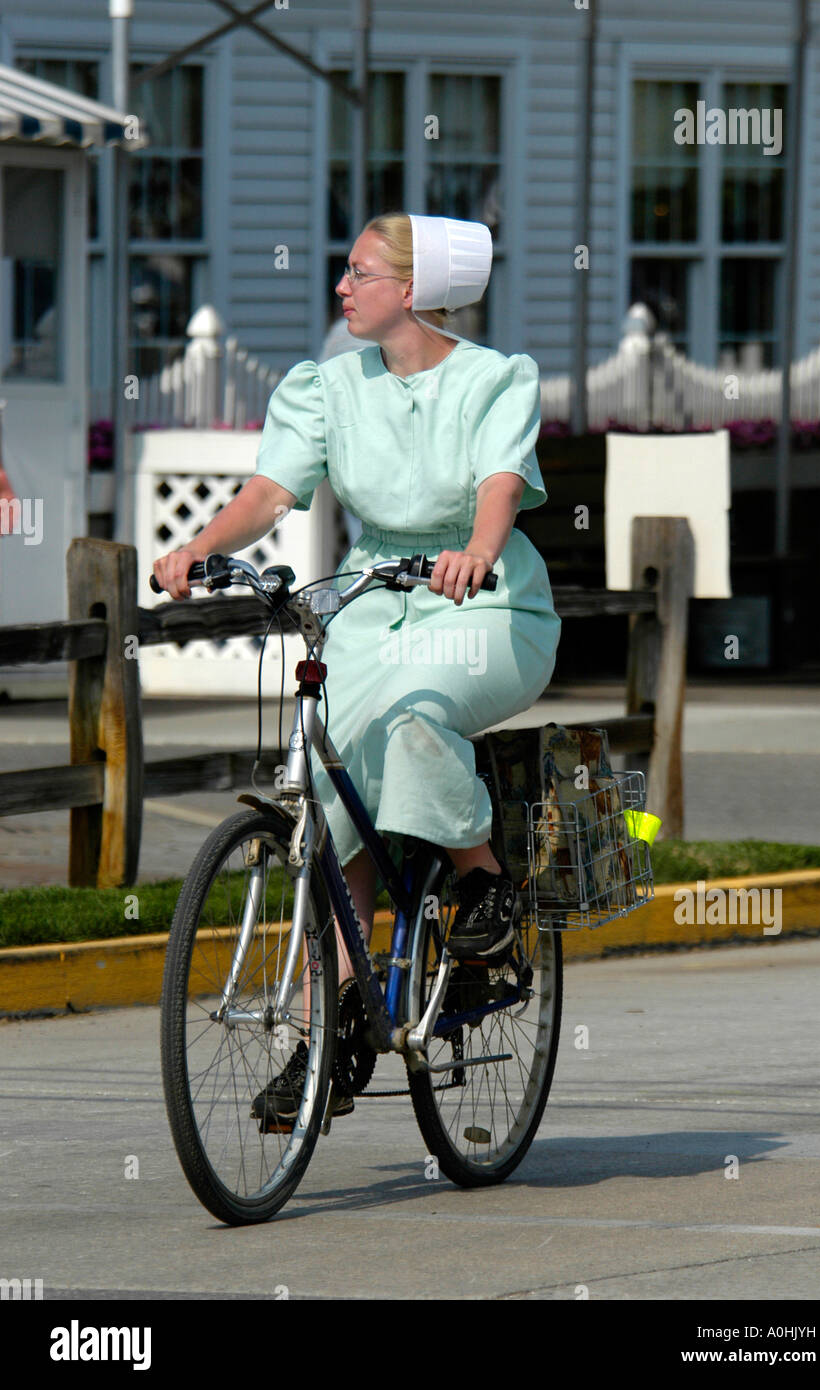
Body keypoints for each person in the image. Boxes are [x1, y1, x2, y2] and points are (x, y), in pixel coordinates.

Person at [153, 211, 561, 1124]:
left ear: (409, 291)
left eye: (358, 272)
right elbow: (270, 491)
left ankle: (483, 880)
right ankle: (329, 1032)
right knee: (332, 787)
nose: (341, 286)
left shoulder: (495, 379)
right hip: (374, 597)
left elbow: (499, 483)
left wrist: (478, 554)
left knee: (415, 713)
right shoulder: (328, 385)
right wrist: (198, 547)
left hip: (482, 602)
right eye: (344, 271)